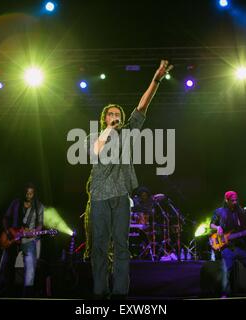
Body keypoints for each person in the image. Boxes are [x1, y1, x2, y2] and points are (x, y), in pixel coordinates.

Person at [87, 60, 173, 299]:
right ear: (105, 119)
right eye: (111, 115)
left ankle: (119, 294)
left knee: (122, 247)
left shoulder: (128, 132)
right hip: (100, 196)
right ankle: (99, 292)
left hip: (122, 196)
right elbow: (95, 151)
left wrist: (156, 79)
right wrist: (108, 130)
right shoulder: (96, 136)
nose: (115, 117)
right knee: (99, 247)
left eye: (118, 115)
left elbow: (143, 105)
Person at [0, 183, 45, 297]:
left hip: (28, 240)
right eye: (27, 192)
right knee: (5, 265)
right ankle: (2, 292)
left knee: (30, 269)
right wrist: (9, 233)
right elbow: (5, 218)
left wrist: (34, 232)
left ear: (34, 193)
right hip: (12, 238)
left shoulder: (39, 206)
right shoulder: (16, 203)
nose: (28, 195)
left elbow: (40, 226)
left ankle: (27, 295)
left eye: (31, 193)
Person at [210, 190, 246, 297]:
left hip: (240, 245)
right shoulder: (219, 211)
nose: (235, 202)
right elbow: (211, 225)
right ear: (226, 200)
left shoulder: (240, 212)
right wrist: (218, 227)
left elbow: (244, 228)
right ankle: (225, 294)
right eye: (232, 200)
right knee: (226, 271)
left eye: (236, 200)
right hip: (227, 246)